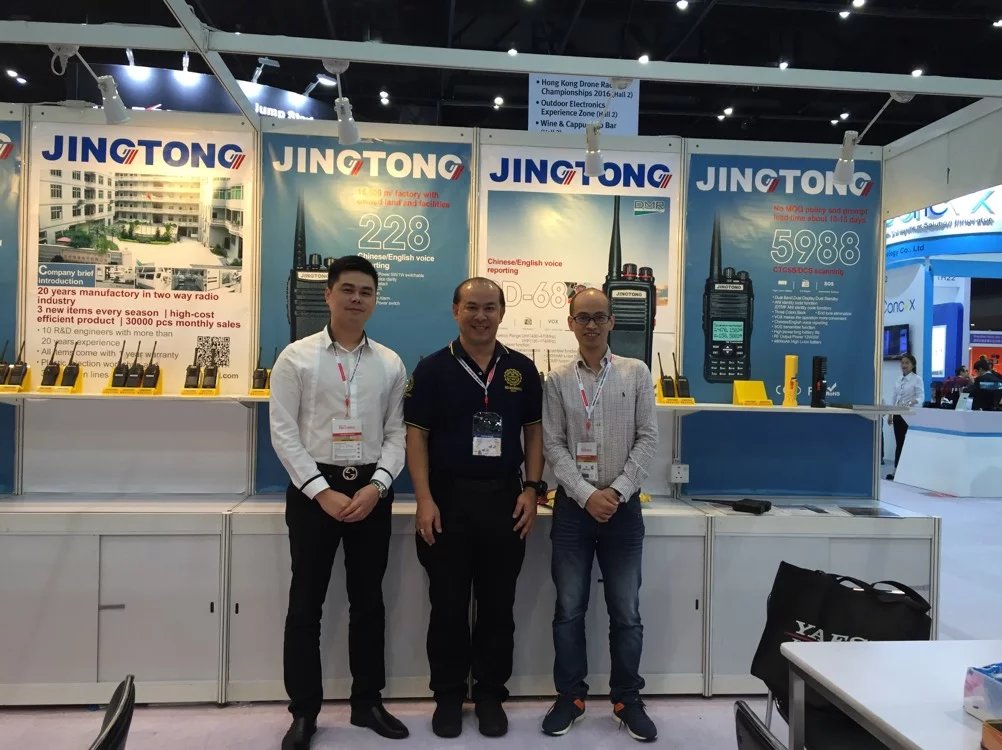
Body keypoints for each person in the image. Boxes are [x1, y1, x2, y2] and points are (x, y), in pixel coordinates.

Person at [270, 255, 409, 749]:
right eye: (347, 289)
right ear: (328, 294)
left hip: (371, 492)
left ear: (375, 300)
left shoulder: (390, 363)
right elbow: (283, 432)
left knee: (368, 603)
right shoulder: (296, 358)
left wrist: (378, 486)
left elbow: (396, 434)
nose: (356, 299)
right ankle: (304, 712)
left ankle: (367, 702)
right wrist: (320, 491)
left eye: (366, 292)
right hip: (315, 492)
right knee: (305, 606)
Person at [404, 277, 545, 739]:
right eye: (472, 307)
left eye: (489, 307)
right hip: (446, 501)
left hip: (505, 501)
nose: (481, 316)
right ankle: (448, 695)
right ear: (455, 311)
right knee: (446, 606)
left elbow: (534, 433)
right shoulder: (431, 369)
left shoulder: (521, 369)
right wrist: (424, 499)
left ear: (502, 312)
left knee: (497, 606)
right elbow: (416, 437)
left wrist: (531, 489)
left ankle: (488, 695)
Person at [540, 288, 659, 743]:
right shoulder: (556, 380)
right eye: (582, 317)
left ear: (612, 321)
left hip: (623, 511)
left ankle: (627, 699)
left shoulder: (636, 371)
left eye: (599, 317)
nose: (591, 325)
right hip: (573, 511)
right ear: (570, 322)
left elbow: (648, 438)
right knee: (569, 609)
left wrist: (617, 491)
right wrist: (588, 495)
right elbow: (553, 445)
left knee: (626, 611)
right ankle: (569, 697)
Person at [887, 353, 923, 480]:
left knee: (908, 444)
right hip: (898, 414)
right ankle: (896, 470)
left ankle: (909, 472)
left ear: (913, 365)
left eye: (907, 363)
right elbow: (894, 397)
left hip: (910, 416)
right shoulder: (898, 380)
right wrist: (890, 414)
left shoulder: (917, 379)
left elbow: (921, 397)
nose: (904, 365)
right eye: (902, 363)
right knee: (899, 443)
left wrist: (913, 401)